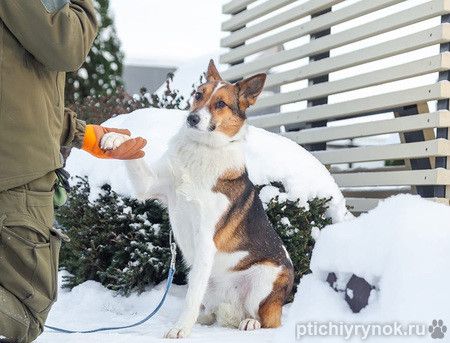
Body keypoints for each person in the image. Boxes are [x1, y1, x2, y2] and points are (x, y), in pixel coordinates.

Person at [0, 1, 147, 342]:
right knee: (23, 312)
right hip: (15, 178)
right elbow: (66, 43)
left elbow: (19, 90)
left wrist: (88, 136)